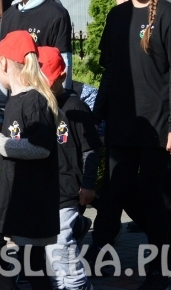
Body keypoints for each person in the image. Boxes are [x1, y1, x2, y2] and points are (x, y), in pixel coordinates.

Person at [90, 0, 171, 290]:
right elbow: (109, 72)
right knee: (116, 192)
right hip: (121, 123)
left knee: (149, 194)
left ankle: (160, 267)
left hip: (157, 125)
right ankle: (162, 236)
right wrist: (97, 118)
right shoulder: (117, 17)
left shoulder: (168, 15)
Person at [0, 30, 60, 290]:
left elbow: (40, 147)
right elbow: (16, 141)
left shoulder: (34, 100)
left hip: (29, 197)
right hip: (11, 193)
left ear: (3, 62)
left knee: (31, 269)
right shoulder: (15, 100)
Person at [0, 0, 73, 130]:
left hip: (44, 110)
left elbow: (63, 69)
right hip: (14, 110)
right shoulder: (10, 15)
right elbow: (2, 66)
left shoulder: (56, 14)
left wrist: (59, 111)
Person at [39, 46, 100, 290]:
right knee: (49, 248)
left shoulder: (75, 108)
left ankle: (78, 284)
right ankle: (63, 284)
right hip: (44, 190)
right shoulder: (36, 106)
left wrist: (88, 184)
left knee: (61, 242)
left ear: (63, 76)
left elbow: (91, 149)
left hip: (68, 188)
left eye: (51, 81)